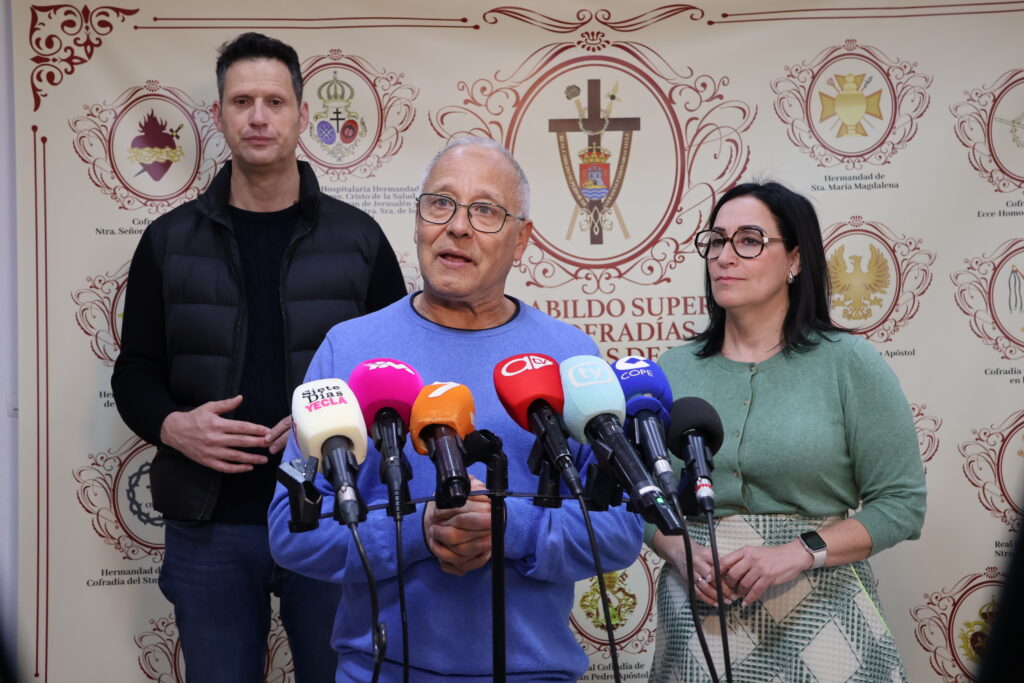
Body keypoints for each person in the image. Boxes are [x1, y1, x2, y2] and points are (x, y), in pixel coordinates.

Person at [268, 136, 644, 682]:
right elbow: (288, 531)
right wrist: (415, 532)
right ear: (418, 221)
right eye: (440, 203)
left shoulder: (571, 357)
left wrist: (510, 528)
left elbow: (620, 530)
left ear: (522, 241)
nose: (458, 226)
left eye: (486, 210)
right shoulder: (347, 350)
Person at [111, 32, 406, 682]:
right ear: (218, 116)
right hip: (211, 524)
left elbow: (397, 379)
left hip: (335, 511)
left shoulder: (360, 240)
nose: (258, 116)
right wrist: (173, 426)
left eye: (274, 101)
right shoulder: (167, 242)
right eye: (242, 100)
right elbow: (133, 374)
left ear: (302, 115)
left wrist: (327, 423)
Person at [647, 182, 926, 682]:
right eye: (716, 240)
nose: (724, 256)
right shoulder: (672, 370)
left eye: (749, 240)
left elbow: (901, 503)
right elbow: (637, 496)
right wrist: (679, 552)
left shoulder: (848, 363)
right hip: (699, 616)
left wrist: (797, 553)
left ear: (795, 259)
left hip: (821, 612)